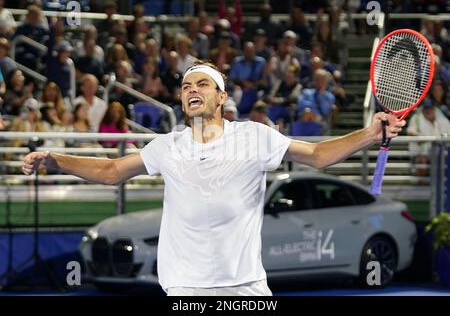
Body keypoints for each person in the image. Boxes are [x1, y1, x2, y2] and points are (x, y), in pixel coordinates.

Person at [22, 61, 405, 296]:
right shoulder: (166, 146)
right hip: (187, 287)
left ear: (221, 97)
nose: (192, 90)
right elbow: (110, 172)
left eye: (202, 84)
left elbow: (319, 156)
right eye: (187, 86)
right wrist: (55, 159)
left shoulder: (255, 136)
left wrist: (370, 134)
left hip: (247, 286)